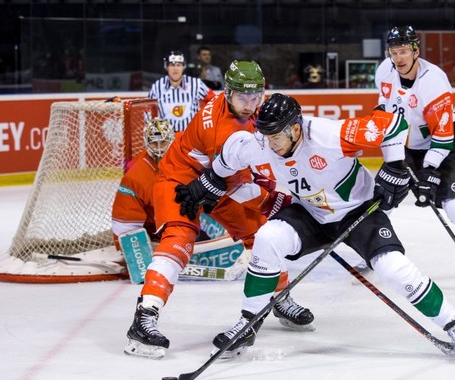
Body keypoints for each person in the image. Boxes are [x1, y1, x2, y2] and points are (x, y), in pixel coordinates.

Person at [193, 93, 455, 363]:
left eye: (275, 137)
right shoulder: (260, 143)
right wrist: (208, 183)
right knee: (268, 237)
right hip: (311, 213)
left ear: (295, 129)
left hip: (358, 212)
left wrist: (395, 166)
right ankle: (248, 323)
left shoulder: (329, 134)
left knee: (393, 268)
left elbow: (393, 123)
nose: (270, 144)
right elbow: (227, 159)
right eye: (265, 136)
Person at [124, 61, 314, 360]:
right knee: (179, 240)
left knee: (262, 234)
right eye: (243, 98)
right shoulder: (223, 129)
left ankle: (279, 296)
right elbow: (238, 185)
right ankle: (145, 317)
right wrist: (276, 202)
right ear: (227, 93)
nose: (251, 105)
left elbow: (235, 177)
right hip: (182, 182)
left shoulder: (248, 111)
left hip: (217, 182)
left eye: (256, 97)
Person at [374, 26, 455, 296]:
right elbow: (384, 111)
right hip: (406, 144)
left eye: (403, 52)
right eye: (393, 52)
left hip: (444, 144)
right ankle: (371, 250)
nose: (398, 58)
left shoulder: (434, 80)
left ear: (416, 51)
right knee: (380, 199)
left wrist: (428, 171)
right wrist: (393, 160)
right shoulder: (384, 71)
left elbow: (443, 134)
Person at [112, 118, 175, 246]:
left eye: (163, 142)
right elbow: (125, 224)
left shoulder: (185, 159)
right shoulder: (136, 177)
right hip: (154, 238)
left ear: (172, 140)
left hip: (180, 226)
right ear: (146, 143)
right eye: (153, 143)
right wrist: (133, 249)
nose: (159, 149)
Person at [148, 50, 216, 132]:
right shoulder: (157, 87)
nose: (175, 69)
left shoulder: (195, 84)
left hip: (190, 137)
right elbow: (148, 113)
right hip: (167, 138)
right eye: (172, 65)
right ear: (166, 67)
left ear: (183, 67)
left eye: (178, 65)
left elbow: (214, 101)